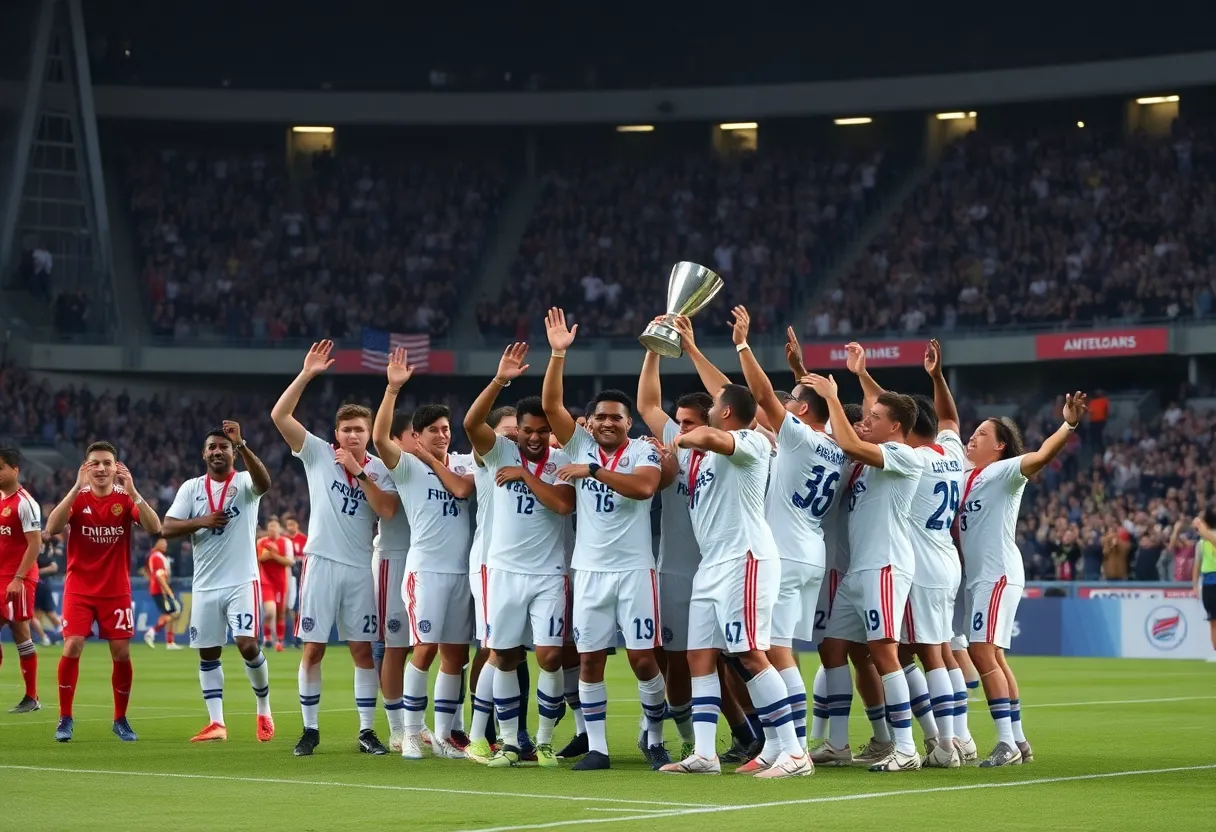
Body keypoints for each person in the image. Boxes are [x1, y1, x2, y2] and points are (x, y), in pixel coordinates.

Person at [660, 316, 808, 779]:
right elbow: (724, 393)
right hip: (714, 563)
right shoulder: (728, 433)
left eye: (713, 406)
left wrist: (680, 438)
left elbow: (708, 433)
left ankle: (793, 751)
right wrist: (692, 348)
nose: (705, 410)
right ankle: (704, 753)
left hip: (745, 558)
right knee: (698, 654)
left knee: (748, 653)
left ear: (724, 413)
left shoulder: (749, 442)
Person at [541, 308, 669, 771]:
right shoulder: (577, 445)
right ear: (589, 423)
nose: (609, 423)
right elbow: (552, 406)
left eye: (617, 417)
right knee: (590, 661)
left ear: (628, 423)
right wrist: (558, 354)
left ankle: (653, 738)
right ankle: (597, 747)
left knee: (641, 660)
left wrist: (594, 470)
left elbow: (645, 488)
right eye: (601, 418)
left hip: (635, 570)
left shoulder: (642, 451)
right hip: (590, 570)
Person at [731, 307, 845, 773]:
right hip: (810, 551)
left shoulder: (796, 437)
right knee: (783, 651)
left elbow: (759, 394)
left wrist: (743, 345)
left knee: (771, 652)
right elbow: (816, 406)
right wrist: (802, 371)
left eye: (793, 398)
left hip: (781, 551)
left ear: (799, 411)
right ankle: (781, 748)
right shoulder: (838, 440)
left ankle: (791, 749)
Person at [271, 340, 399, 757]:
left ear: (368, 435)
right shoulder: (318, 454)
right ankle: (310, 730)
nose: (352, 435)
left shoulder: (380, 468)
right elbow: (279, 416)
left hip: (360, 567)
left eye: (360, 430)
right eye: (346, 429)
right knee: (313, 648)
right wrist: (307, 374)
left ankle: (366, 732)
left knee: (363, 650)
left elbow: (388, 511)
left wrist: (360, 472)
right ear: (337, 433)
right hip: (322, 562)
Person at [801, 369, 923, 772]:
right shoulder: (869, 462)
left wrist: (834, 398)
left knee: (884, 654)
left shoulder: (904, 456)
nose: (866, 422)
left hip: (886, 566)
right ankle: (837, 744)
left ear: (897, 426)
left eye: (874, 418)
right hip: (858, 571)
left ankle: (905, 749)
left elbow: (849, 442)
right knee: (833, 649)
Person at [462, 342, 576, 768]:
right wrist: (499, 380)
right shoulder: (501, 452)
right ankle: (510, 743)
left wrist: (527, 476)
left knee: (549, 656)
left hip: (548, 573)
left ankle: (544, 742)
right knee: (505, 656)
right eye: (527, 429)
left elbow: (564, 505)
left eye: (541, 431)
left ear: (550, 431)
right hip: (504, 572)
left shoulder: (563, 460)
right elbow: (472, 422)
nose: (532, 437)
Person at [959, 392, 1088, 766]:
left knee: (981, 652)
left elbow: (1044, 454)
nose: (973, 437)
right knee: (993, 654)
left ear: (999, 446)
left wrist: (1069, 423)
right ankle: (1017, 739)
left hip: (997, 572)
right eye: (974, 431)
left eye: (982, 434)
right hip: (981, 575)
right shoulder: (966, 474)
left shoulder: (1006, 471)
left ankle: (1005, 744)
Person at [374, 347, 476, 760]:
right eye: (433, 429)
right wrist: (392, 389)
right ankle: (413, 734)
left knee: (456, 656)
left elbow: (465, 489)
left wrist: (436, 460)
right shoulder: (408, 468)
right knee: (425, 650)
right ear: (417, 436)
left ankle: (448, 736)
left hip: (461, 573)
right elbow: (380, 437)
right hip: (426, 572)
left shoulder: (466, 463)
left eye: (446, 428)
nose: (442, 434)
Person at [163, 422, 275, 742]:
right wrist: (202, 521)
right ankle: (217, 724)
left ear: (232, 454)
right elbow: (167, 528)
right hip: (205, 585)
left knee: (246, 644)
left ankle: (264, 710)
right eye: (212, 447)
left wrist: (242, 443)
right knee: (208, 653)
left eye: (223, 447)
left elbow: (264, 483)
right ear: (204, 454)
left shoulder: (243, 482)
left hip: (242, 581)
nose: (217, 451)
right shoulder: (191, 488)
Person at [44, 441, 163, 742]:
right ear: (86, 468)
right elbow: (52, 527)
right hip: (79, 589)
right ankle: (65, 718)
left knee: (121, 653)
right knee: (72, 646)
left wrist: (135, 492)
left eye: (107, 463)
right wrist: (74, 488)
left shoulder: (125, 500)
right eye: (95, 463)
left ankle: (120, 719)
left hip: (116, 591)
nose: (101, 468)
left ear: (116, 468)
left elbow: (155, 528)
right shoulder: (78, 498)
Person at [637, 353, 711, 764]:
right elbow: (648, 404)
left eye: (689, 423)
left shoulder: (728, 448)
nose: (679, 429)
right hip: (674, 571)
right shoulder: (671, 447)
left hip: (719, 568)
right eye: (678, 422)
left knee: (713, 660)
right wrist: (654, 350)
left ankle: (751, 735)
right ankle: (659, 734)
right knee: (671, 660)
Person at [464, 404, 517, 761]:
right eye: (507, 429)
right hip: (488, 563)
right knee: (492, 648)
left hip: (517, 565)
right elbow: (474, 426)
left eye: (518, 429)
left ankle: (507, 736)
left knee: (509, 652)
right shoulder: (489, 455)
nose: (513, 434)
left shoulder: (521, 457)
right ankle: (477, 736)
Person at [370, 411, 415, 752]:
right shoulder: (390, 469)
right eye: (415, 433)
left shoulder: (442, 466)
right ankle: (397, 728)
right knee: (395, 646)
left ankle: (427, 724)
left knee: (438, 648)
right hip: (395, 558)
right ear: (398, 440)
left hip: (434, 563)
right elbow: (387, 510)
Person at [0, 448, 44, 713]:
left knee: (20, 632)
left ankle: (32, 697)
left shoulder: (25, 502)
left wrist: (18, 578)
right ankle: (32, 697)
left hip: (19, 578)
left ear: (15, 470)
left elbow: (35, 544)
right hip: (1, 575)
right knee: (19, 633)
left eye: (1, 468)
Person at [257, 518, 295, 652]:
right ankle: (267, 639)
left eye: (274, 527)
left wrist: (274, 555)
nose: (272, 530)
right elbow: (257, 559)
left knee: (280, 613)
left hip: (281, 582)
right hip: (266, 581)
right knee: (270, 611)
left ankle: (279, 640)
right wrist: (265, 557)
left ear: (279, 529)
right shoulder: (261, 542)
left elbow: (290, 562)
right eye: (270, 527)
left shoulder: (286, 542)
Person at [141, 538, 182, 650]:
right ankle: (152, 632)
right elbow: (160, 576)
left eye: (165, 542)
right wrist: (168, 592)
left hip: (158, 589)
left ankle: (170, 642)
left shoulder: (153, 556)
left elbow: (145, 571)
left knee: (169, 613)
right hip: (160, 590)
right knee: (173, 613)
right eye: (162, 542)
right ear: (156, 543)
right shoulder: (157, 556)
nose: (165, 544)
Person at [1193, 512, 1216, 662]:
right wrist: (1195, 584)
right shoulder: (1201, 543)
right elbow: (1197, 564)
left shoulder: (1212, 537)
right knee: (1213, 620)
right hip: (1208, 582)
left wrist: (1199, 525)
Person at [34, 534, 65, 645]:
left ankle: (46, 638)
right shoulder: (43, 549)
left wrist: (35, 573)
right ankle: (48, 637)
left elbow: (54, 567)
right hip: (42, 583)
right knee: (45, 613)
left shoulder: (42, 551)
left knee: (39, 614)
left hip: (40, 584)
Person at [283, 514, 307, 644]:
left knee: (298, 606)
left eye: (292, 524)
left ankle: (297, 635)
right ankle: (289, 635)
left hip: (301, 576)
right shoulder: (284, 540)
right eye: (288, 525)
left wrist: (299, 560)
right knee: (287, 606)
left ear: (297, 525)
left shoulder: (304, 539)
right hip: (286, 575)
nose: (290, 527)